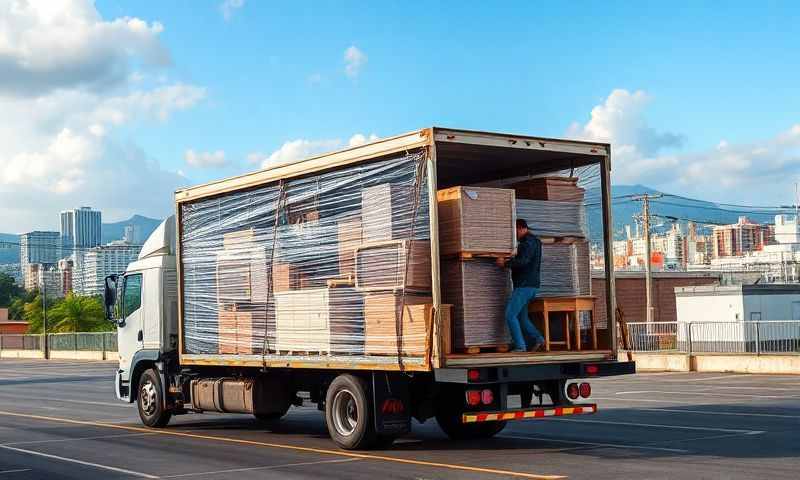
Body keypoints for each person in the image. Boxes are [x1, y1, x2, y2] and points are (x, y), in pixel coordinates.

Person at [497, 219, 545, 352]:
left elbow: (523, 261)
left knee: (510, 315)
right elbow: (524, 259)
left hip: (524, 285)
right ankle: (538, 339)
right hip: (531, 285)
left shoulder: (527, 242)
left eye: (515, 231)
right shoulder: (534, 241)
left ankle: (520, 346)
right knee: (522, 317)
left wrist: (505, 263)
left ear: (522, 228)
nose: (515, 234)